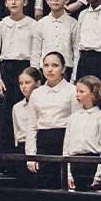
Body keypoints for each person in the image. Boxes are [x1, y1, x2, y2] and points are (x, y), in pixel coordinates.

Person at [0, 0, 37, 118]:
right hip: (7, 72)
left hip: (25, 69)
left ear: (25, 2)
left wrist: (33, 76)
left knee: (26, 111)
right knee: (6, 113)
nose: (13, 2)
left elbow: (36, 52)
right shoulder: (2, 25)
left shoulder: (33, 24)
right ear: (6, 3)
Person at [23, 51, 73, 186]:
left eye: (55, 65)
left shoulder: (72, 91)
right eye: (46, 65)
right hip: (43, 142)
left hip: (65, 139)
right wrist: (30, 156)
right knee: (45, 186)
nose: (50, 69)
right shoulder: (36, 93)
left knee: (65, 185)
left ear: (63, 68)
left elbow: (76, 125)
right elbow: (31, 126)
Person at [59, 75, 101, 191]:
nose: (77, 94)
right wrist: (68, 173)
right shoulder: (73, 118)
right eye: (77, 91)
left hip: (92, 163)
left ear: (93, 93)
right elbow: (67, 147)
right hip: (75, 163)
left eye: (81, 91)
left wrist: (98, 175)